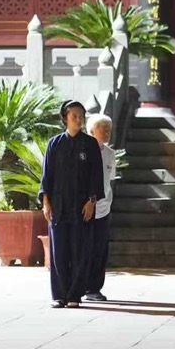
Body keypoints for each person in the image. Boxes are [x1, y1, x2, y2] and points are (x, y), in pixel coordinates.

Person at [40, 100, 104, 309]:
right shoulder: (55, 143)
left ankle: (75, 295)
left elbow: (96, 176)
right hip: (58, 206)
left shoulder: (90, 144)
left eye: (81, 116)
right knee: (59, 253)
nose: (78, 119)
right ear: (64, 118)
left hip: (82, 206)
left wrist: (91, 201)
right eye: (74, 116)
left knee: (80, 252)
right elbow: (46, 176)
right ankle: (59, 295)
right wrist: (46, 202)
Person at [84, 113, 117, 302]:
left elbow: (110, 180)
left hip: (104, 208)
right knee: (84, 248)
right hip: (85, 208)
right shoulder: (83, 152)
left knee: (100, 250)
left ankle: (94, 288)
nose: (106, 132)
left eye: (108, 129)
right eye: (102, 128)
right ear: (91, 131)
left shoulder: (110, 154)